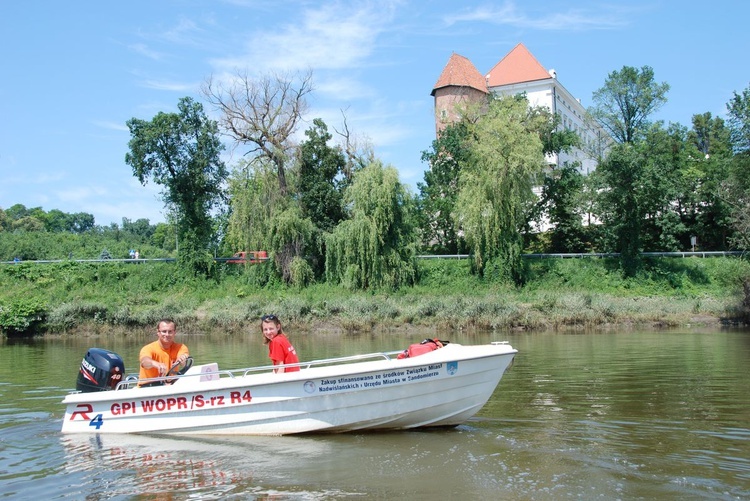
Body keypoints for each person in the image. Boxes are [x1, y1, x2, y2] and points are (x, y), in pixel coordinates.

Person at [138, 318, 190, 386]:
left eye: (170, 331)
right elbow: (144, 361)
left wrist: (183, 360)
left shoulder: (181, 347)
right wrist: (155, 364)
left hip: (171, 385)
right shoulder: (148, 348)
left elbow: (184, 356)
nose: (167, 334)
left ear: (175, 332)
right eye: (164, 331)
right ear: (158, 332)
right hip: (147, 387)